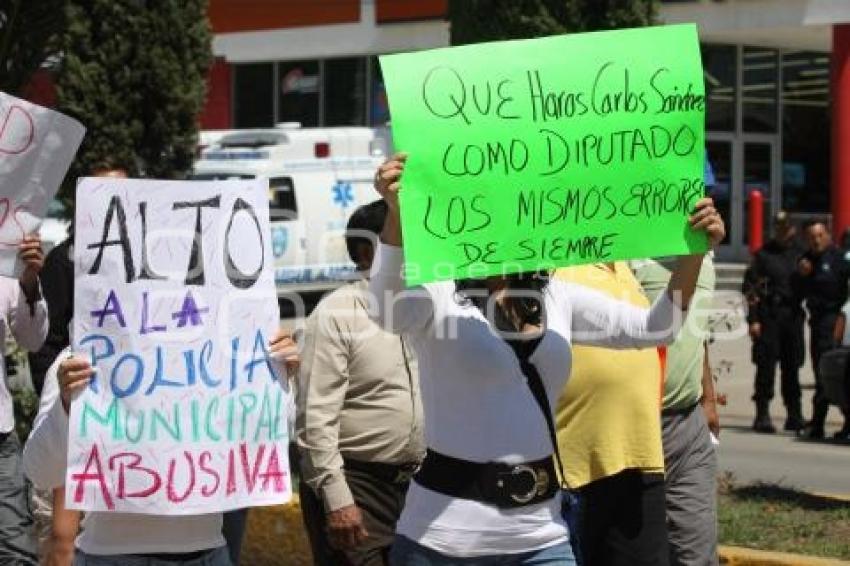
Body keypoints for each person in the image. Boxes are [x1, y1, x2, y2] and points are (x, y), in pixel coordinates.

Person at [370, 153, 725, 564]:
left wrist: (693, 253)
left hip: (541, 537)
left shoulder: (555, 293)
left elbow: (656, 328)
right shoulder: (437, 289)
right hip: (441, 541)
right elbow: (386, 309)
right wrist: (396, 216)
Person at [22, 331, 298, 565]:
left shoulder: (222, 355)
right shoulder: (80, 359)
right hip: (110, 557)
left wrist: (278, 380)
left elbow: (269, 437)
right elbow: (42, 472)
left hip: (209, 552)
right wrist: (67, 407)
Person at [296, 200, 424, 566]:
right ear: (370, 250)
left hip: (417, 492)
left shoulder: (425, 307)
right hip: (356, 487)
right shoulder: (337, 314)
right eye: (400, 235)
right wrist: (337, 499)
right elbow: (314, 417)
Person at [554, 263, 668, 566]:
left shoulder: (625, 265)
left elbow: (658, 326)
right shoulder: (546, 266)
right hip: (569, 472)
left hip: (639, 460)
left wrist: (695, 256)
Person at [632, 255, 719, 566]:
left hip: (688, 424)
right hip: (632, 430)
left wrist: (708, 398)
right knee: (638, 551)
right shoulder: (625, 250)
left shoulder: (704, 251)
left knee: (697, 552)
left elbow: (699, 329)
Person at [0, 235, 47, 566]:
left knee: (14, 545)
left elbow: (32, 339)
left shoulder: (4, 266)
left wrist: (28, 281)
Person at [741, 210, 806, 433]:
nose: (782, 231)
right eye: (778, 227)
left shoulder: (801, 254)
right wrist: (753, 319)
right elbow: (751, 289)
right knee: (765, 367)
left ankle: (794, 415)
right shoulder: (763, 256)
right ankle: (762, 415)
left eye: (785, 227)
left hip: (792, 317)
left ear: (792, 229)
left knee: (792, 368)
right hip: (769, 316)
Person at [797, 219, 850, 439]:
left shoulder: (839, 259)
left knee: (832, 375)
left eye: (820, 236)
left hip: (833, 322)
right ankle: (818, 423)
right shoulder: (806, 261)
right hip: (816, 322)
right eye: (811, 237)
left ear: (827, 235)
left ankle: (824, 422)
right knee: (822, 374)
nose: (816, 241)